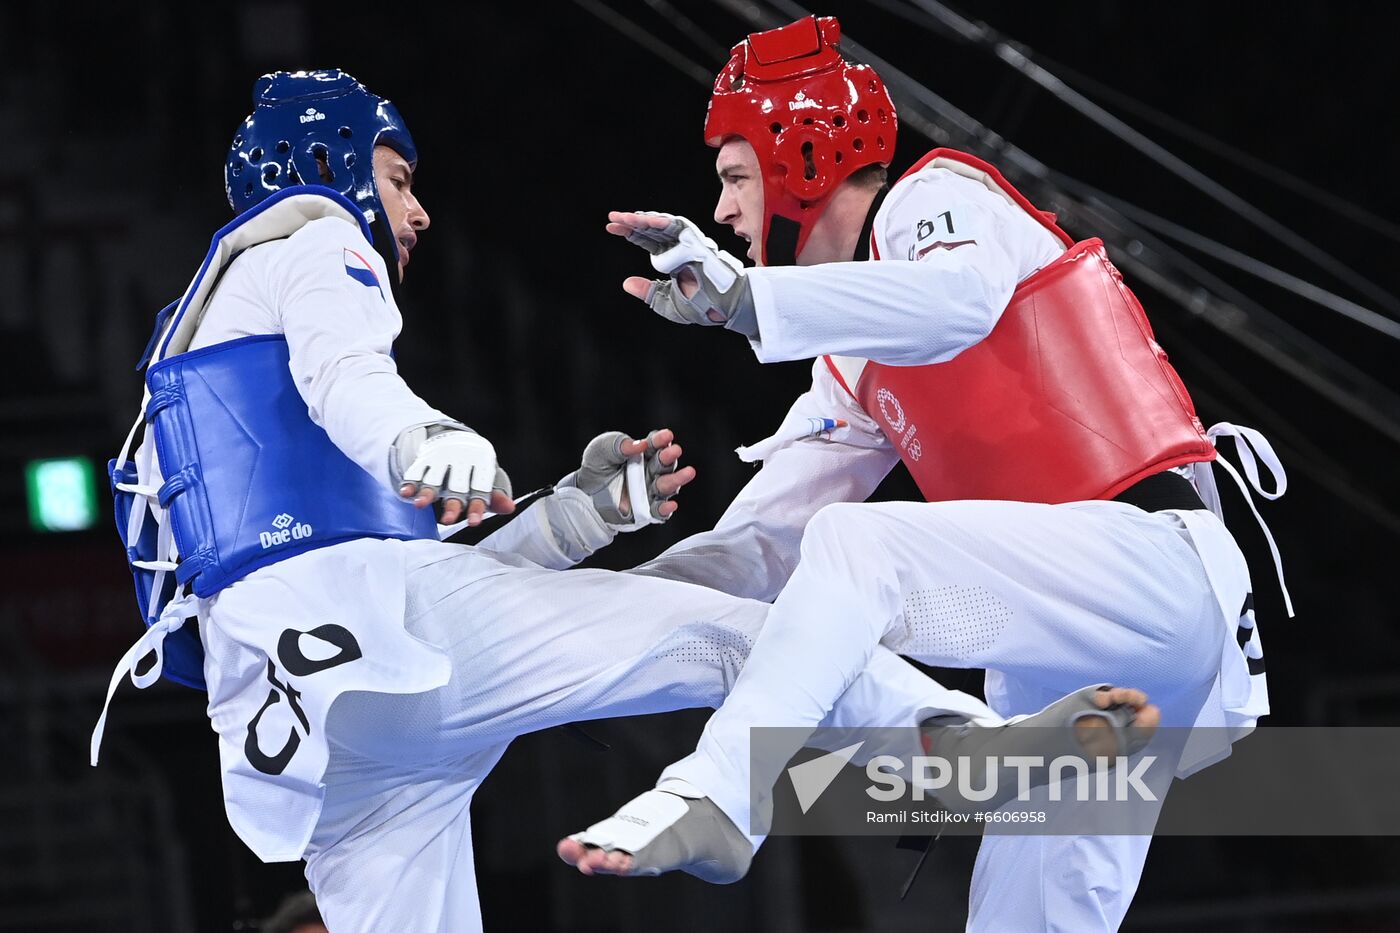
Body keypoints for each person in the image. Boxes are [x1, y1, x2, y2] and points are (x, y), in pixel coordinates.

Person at [88, 69, 1133, 933]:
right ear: (327, 165)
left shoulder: (198, 353)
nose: (414, 211)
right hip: (371, 634)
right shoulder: (314, 239)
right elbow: (351, 382)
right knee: (742, 642)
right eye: (396, 179)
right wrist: (424, 435)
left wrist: (572, 518)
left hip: (313, 717)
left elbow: (412, 585)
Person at [560, 16, 1288, 931]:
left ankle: (722, 789)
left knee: (861, 547)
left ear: (804, 161)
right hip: (1068, 681)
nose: (723, 215)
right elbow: (754, 554)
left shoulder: (935, 200)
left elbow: (956, 302)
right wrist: (576, 610)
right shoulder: (850, 367)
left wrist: (750, 303)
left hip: (1154, 564)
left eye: (737, 178)